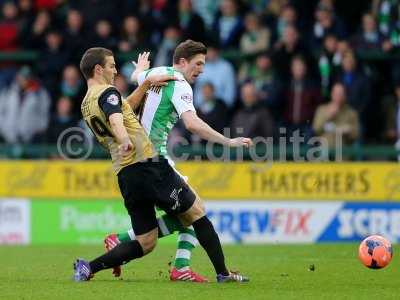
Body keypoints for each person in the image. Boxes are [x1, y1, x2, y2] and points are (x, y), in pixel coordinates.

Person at [74, 46, 250, 283]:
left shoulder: (87, 102)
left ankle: (88, 267)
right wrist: (125, 139)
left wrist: (142, 79)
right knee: (197, 213)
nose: (116, 70)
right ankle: (222, 273)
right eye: (112, 65)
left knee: (146, 242)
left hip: (125, 174)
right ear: (98, 69)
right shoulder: (111, 92)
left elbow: (122, 108)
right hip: (150, 164)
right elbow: (117, 119)